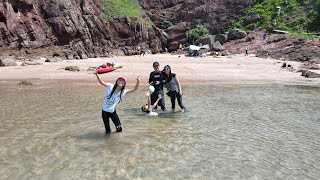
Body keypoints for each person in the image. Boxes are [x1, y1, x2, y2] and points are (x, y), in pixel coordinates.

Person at [94, 69, 140, 134]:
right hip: (104, 112)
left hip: (112, 112)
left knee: (119, 129)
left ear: (124, 84)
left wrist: (138, 81)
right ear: (117, 81)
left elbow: (135, 89)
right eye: (120, 80)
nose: (121, 81)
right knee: (107, 131)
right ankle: (109, 140)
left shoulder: (123, 92)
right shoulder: (110, 86)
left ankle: (114, 137)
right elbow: (101, 82)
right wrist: (96, 75)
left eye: (123, 81)